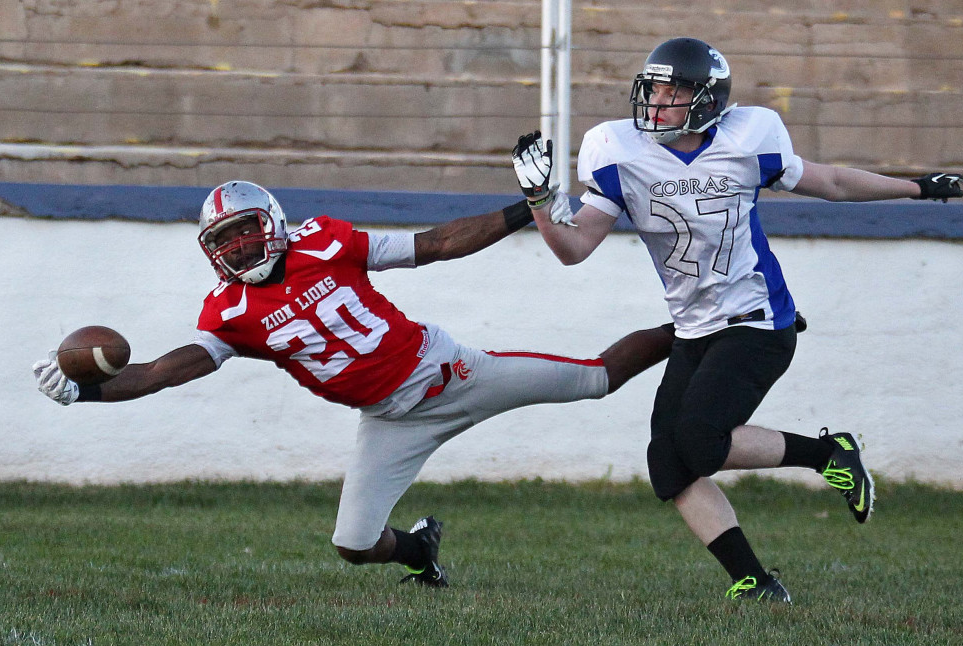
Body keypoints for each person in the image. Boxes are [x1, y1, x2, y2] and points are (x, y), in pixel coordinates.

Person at [33, 180, 675, 588]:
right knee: (353, 544)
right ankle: (420, 551)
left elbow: (436, 244)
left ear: (273, 221)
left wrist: (524, 209)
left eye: (245, 230)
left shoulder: (325, 240)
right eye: (223, 242)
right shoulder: (229, 313)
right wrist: (84, 392)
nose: (237, 248)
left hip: (452, 374)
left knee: (595, 380)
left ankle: (698, 330)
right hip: (389, 419)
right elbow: (157, 374)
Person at [511, 37, 963, 603]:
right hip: (693, 329)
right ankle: (754, 583)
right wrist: (538, 198)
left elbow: (832, 183)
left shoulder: (749, 138)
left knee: (700, 442)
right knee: (669, 465)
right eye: (652, 89)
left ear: (705, 100)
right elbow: (574, 247)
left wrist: (919, 188)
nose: (654, 103)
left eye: (671, 91)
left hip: (757, 321)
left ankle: (828, 455)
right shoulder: (617, 150)